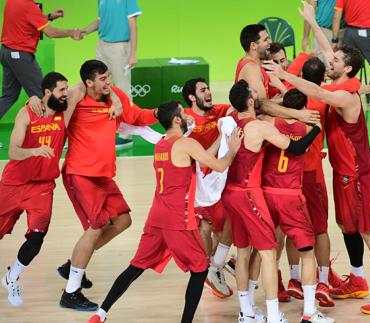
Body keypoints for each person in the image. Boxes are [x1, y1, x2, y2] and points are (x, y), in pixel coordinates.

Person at [265, 36, 370, 321]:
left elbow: (317, 91)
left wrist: (285, 74)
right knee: (346, 225)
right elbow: (330, 59)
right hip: (342, 172)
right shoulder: (345, 83)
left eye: (335, 61)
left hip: (356, 173)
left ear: (347, 69)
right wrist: (312, 22)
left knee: (368, 229)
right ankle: (358, 280)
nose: (329, 61)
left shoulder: (343, 95)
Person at [87, 101, 242, 323]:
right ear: (177, 120)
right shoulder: (186, 143)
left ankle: (100, 314)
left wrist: (220, 138)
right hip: (178, 219)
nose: (187, 114)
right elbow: (218, 166)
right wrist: (232, 150)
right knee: (199, 269)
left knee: (135, 266)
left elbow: (200, 158)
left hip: (156, 216)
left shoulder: (161, 144)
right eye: (183, 111)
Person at [58, 60, 158, 311]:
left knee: (123, 220)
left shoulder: (115, 96)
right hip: (80, 174)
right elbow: (53, 118)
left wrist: (159, 112)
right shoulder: (76, 99)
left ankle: (73, 266)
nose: (108, 82)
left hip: (103, 176)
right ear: (88, 82)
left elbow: (136, 116)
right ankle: (70, 292)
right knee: (96, 227)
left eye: (108, 77)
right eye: (102, 79)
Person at [222, 80, 321, 323]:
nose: (261, 97)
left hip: (230, 193)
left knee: (243, 253)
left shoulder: (229, 119)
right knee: (268, 253)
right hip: (251, 193)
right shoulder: (260, 127)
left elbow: (266, 106)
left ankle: (246, 312)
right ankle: (274, 315)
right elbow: (296, 149)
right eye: (254, 95)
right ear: (249, 102)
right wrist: (316, 129)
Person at [0, 72, 82, 306]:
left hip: (43, 187)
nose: (65, 94)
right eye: (60, 90)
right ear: (47, 93)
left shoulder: (63, 113)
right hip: (14, 184)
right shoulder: (27, 113)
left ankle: (12, 276)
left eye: (66, 89)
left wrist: (116, 100)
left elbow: (83, 86)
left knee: (37, 237)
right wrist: (33, 152)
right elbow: (13, 151)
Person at [260, 89, 334, 323]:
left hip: (267, 194)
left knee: (265, 254)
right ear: (304, 109)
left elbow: (262, 106)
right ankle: (309, 312)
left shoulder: (269, 122)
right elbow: (303, 141)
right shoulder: (309, 128)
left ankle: (259, 308)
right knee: (308, 253)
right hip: (291, 196)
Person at [0, 0, 83, 148]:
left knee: (9, 96)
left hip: (6, 52)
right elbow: (51, 33)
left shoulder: (13, 1)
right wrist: (71, 32)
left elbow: (27, 17)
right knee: (45, 94)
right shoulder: (29, 6)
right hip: (21, 56)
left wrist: (49, 16)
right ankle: (55, 135)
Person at [181, 78, 235, 298]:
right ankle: (209, 269)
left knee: (221, 225)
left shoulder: (218, 112)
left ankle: (213, 266)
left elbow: (236, 107)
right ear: (192, 97)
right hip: (200, 183)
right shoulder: (185, 118)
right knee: (211, 227)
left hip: (221, 178)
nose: (209, 92)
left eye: (208, 88)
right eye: (203, 90)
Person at [82, 0, 142, 148]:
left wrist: (133, 53)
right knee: (97, 86)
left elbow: (133, 24)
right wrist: (85, 31)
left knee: (122, 88)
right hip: (102, 45)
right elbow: (100, 21)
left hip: (120, 47)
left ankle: (126, 134)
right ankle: (101, 125)